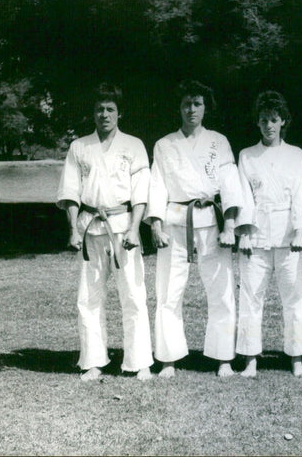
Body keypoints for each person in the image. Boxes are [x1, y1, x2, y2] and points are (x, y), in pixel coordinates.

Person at [145, 80, 244, 378]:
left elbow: (229, 184)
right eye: (187, 103)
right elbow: (157, 185)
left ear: (205, 107)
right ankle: (168, 358)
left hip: (211, 222)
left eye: (197, 103)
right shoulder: (164, 145)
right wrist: (156, 226)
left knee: (222, 290)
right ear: (180, 107)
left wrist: (229, 225)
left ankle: (223, 357)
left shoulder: (219, 141)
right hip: (176, 221)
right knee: (168, 290)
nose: (192, 109)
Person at [56, 82, 154, 381]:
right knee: (88, 297)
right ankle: (93, 361)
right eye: (99, 109)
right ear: (92, 113)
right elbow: (71, 191)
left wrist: (136, 230)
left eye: (110, 109)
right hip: (90, 229)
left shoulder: (134, 145)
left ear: (119, 113)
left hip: (123, 228)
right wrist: (73, 229)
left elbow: (140, 193)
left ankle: (139, 362)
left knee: (134, 296)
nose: (104, 114)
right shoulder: (79, 147)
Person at [235, 91, 302, 378]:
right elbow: (244, 197)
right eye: (264, 120)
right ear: (257, 123)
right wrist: (243, 232)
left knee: (294, 296)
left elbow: (300, 194)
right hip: (255, 235)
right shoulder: (247, 156)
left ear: (284, 122)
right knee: (252, 297)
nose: (269, 125)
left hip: (288, 235)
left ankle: (297, 359)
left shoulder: (296, 155)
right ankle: (250, 359)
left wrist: (299, 232)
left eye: (274, 120)